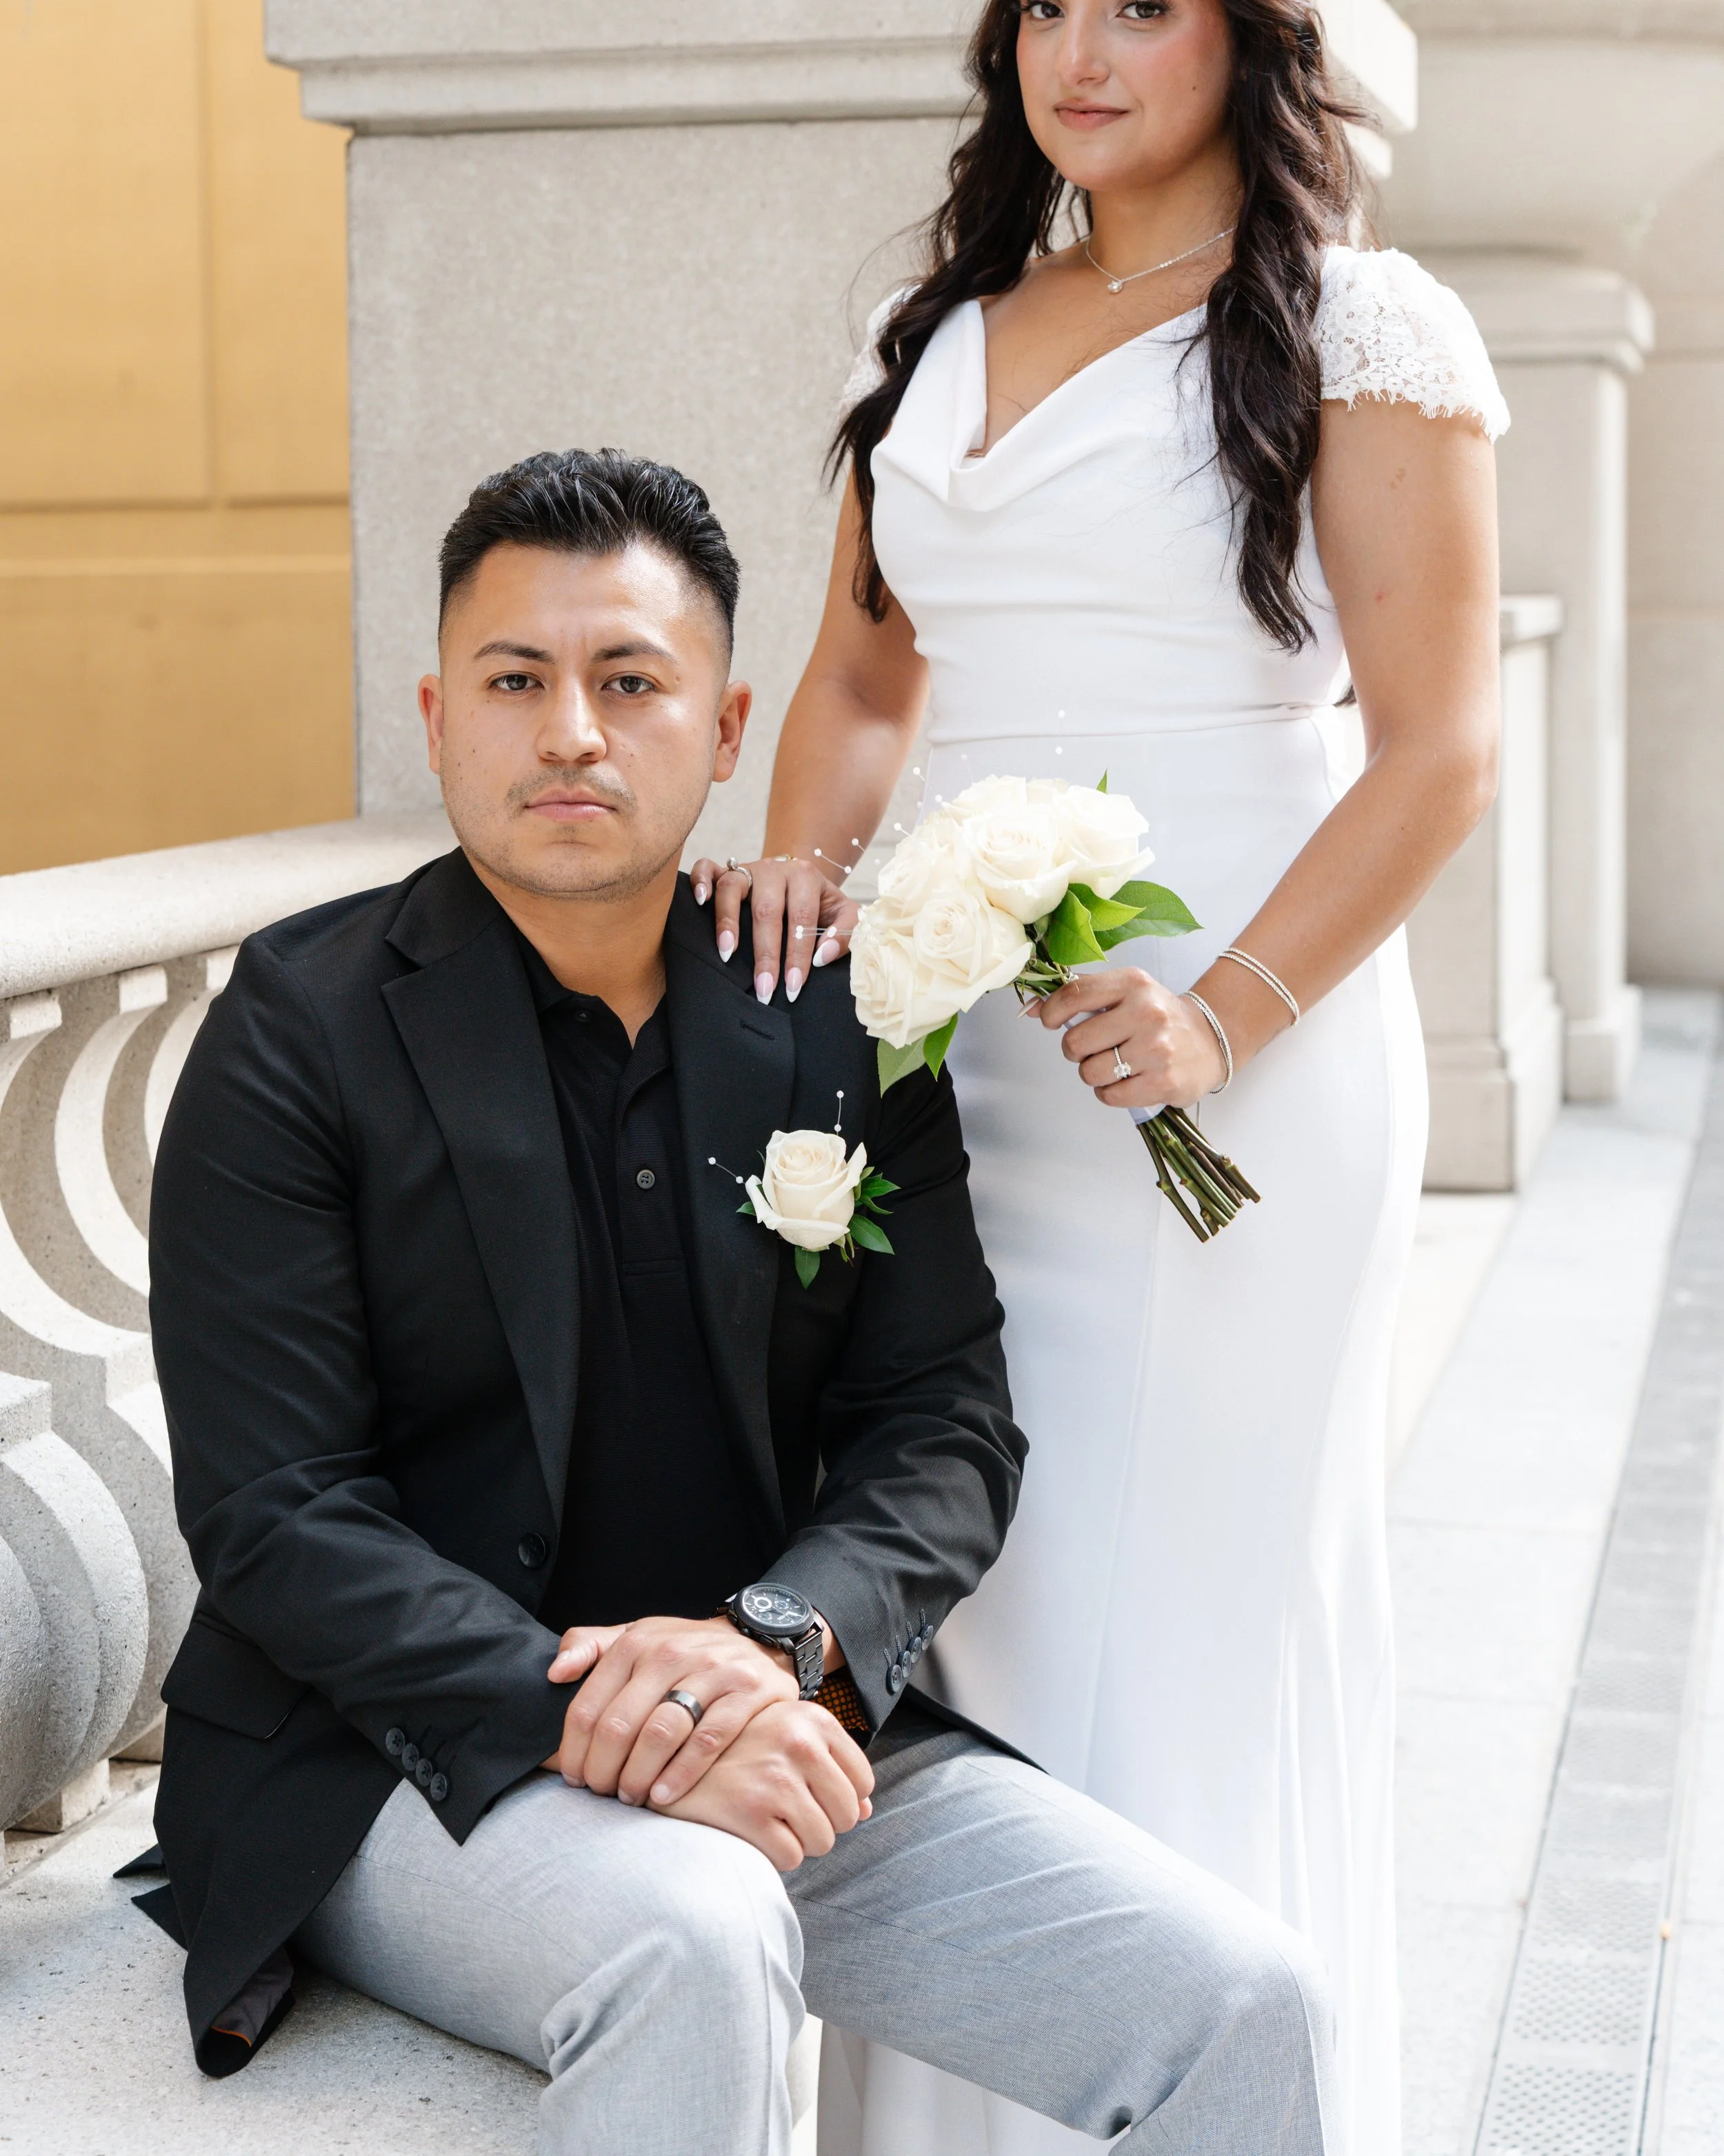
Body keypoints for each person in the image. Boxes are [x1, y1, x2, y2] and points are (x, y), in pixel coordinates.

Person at [146, 446, 1334, 2155]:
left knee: (1241, 2001)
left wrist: (774, 1645)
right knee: (693, 1938)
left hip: (765, 1718)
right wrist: (589, 1704)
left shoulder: (834, 1019)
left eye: (630, 683)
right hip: (393, 1757)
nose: (571, 732)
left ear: (724, 729)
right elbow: (275, 1512)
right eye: (514, 681)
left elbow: (942, 1424)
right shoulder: (299, 1024)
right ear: (436, 716)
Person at [692, 0, 1506, 2156]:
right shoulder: (939, 329)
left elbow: (1439, 748)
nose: (1080, 52)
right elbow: (864, 675)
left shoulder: (1360, 325)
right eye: (1044, 6)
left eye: (1140, 3)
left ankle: (1208, 2089)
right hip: (966, 1056)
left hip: (1231, 1062)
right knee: (979, 1593)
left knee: (1181, 1618)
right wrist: (803, 877)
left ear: (1246, 30)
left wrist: (1223, 1010)